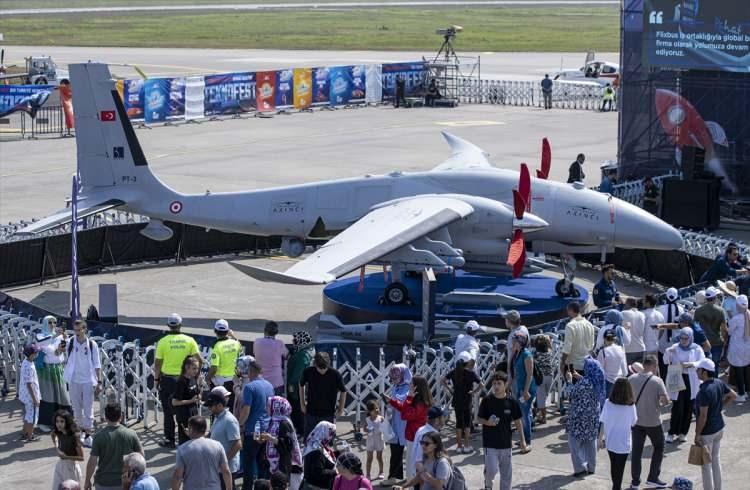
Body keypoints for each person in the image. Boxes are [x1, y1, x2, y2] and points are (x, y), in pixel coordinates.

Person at [154, 313, 200, 449]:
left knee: (168, 411)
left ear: (168, 325)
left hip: (168, 380)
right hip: (185, 379)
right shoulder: (189, 340)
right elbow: (200, 360)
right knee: (187, 410)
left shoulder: (163, 341)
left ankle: (169, 439)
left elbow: (157, 364)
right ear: (180, 325)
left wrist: (156, 379)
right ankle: (191, 437)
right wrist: (195, 376)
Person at [478, 372, 527, 490]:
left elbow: (518, 421)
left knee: (506, 474)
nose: (496, 386)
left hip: (506, 443)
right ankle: (488, 483)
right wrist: (487, 422)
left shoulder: (511, 401)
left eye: (499, 383)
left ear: (505, 384)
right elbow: (479, 418)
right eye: (494, 383)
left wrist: (523, 440)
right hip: (490, 443)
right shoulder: (487, 400)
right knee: (492, 470)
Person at [694, 358, 737, 490]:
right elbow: (733, 395)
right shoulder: (719, 382)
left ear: (704, 372)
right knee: (716, 460)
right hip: (719, 428)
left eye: (698, 369)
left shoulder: (704, 391)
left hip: (708, 432)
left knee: (706, 465)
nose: (696, 371)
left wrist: (697, 434)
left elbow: (703, 416)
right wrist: (720, 407)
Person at [628, 355, 669, 489]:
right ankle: (653, 477)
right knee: (659, 446)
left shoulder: (631, 378)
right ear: (654, 366)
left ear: (643, 364)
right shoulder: (657, 381)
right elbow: (664, 401)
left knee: (636, 452)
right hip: (653, 422)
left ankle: (635, 482)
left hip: (636, 421)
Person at [384, 375, 433, 480]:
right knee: (413, 462)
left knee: (412, 463)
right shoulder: (420, 400)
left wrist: (409, 397)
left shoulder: (419, 402)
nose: (409, 385)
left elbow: (405, 415)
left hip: (415, 436)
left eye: (411, 383)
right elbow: (405, 409)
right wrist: (392, 401)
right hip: (415, 434)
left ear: (416, 386)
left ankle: (412, 483)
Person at [84, 403, 143, 490]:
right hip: (125, 483)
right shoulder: (131, 434)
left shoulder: (98, 436)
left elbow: (92, 462)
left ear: (106, 417)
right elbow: (141, 456)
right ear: (121, 417)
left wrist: (87, 480)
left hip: (103, 483)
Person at [564, 358, 605, 477]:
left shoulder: (584, 383)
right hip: (592, 417)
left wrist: (569, 380)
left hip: (579, 418)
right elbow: (588, 385)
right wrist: (579, 377)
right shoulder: (597, 381)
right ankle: (592, 467)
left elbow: (570, 394)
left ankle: (579, 468)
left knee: (573, 442)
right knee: (590, 441)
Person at [63, 320, 102, 448]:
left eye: (79, 330)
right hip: (74, 381)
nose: (77, 332)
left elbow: (97, 364)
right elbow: (58, 352)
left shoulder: (92, 345)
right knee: (76, 410)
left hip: (88, 381)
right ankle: (80, 435)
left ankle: (88, 436)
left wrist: (99, 382)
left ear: (85, 329)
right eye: (75, 330)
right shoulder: (70, 342)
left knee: (88, 409)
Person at [663, 327, 705, 443]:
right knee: (677, 407)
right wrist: (668, 352)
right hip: (677, 376)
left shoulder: (696, 348)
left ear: (691, 338)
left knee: (688, 406)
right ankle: (671, 432)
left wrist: (691, 364)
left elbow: (702, 362)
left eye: (686, 338)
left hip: (691, 379)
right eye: (681, 338)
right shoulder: (675, 347)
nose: (684, 340)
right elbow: (666, 361)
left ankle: (683, 433)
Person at [238, 358, 274, 489]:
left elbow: (246, 410)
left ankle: (247, 487)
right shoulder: (269, 385)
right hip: (266, 430)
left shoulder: (249, 387)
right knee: (262, 462)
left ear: (250, 372)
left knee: (248, 462)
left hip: (253, 431)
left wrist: (239, 425)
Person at [172, 415, 233, 490]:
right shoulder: (218, 445)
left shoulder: (182, 449)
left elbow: (178, 476)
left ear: (191, 429)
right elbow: (226, 471)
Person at [598, 378, 638, 490]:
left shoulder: (607, 403)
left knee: (614, 467)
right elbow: (634, 422)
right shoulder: (631, 406)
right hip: (624, 443)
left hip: (611, 442)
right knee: (619, 470)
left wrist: (599, 438)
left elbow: (603, 421)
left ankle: (616, 487)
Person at [299, 351, 346, 440]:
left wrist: (340, 409)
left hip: (328, 414)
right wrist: (302, 404)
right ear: (315, 364)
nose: (322, 371)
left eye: (324, 368)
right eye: (320, 368)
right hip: (311, 413)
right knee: (309, 441)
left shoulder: (335, 374)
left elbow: (343, 391)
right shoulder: (308, 371)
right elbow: (301, 384)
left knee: (327, 443)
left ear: (328, 364)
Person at [260, 396, 303, 490]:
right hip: (273, 463)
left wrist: (270, 438)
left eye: (269, 406)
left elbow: (287, 446)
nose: (266, 408)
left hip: (281, 463)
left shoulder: (284, 423)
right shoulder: (274, 420)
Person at [442, 351, 480, 453]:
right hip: (467, 400)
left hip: (456, 400)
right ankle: (467, 445)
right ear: (467, 362)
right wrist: (473, 391)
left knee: (458, 423)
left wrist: (450, 389)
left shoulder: (454, 372)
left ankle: (459, 446)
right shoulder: (471, 373)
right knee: (467, 424)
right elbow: (482, 384)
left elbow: (442, 380)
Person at [38, 315, 71, 432]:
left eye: (54, 322)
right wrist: (56, 338)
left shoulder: (59, 336)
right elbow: (46, 348)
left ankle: (64, 421)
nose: (52, 325)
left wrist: (65, 339)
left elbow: (62, 349)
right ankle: (45, 423)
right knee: (48, 395)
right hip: (47, 370)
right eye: (50, 322)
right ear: (45, 323)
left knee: (62, 395)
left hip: (58, 368)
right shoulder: (41, 335)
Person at [382, 363, 412, 486]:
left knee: (406, 452)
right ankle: (395, 476)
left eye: (396, 377)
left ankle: (399, 476)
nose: (393, 380)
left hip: (405, 424)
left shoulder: (409, 387)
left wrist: (391, 400)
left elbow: (402, 402)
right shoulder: (396, 386)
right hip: (395, 422)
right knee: (396, 451)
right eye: (392, 378)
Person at [206, 393, 242, 487]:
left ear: (220, 405)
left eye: (211, 406)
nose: (209, 408)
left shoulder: (229, 420)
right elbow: (211, 434)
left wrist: (224, 461)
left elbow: (238, 444)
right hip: (218, 466)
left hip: (227, 467)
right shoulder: (217, 417)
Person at [207, 319, 242, 409]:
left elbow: (214, 368)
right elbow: (239, 346)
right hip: (234, 380)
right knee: (232, 407)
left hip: (220, 382)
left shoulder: (217, 347)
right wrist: (232, 335)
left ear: (215, 331)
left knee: (218, 407)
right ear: (227, 331)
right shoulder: (236, 343)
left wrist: (207, 378)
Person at [509, 330, 536, 447]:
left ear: (520, 342)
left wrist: (525, 391)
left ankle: (527, 440)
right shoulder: (518, 353)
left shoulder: (526, 354)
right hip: (520, 387)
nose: (512, 342)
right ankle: (524, 439)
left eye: (514, 340)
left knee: (524, 414)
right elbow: (515, 374)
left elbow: (530, 374)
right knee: (522, 413)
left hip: (527, 389)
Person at [287, 331, 314, 433]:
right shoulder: (308, 351)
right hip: (304, 388)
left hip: (297, 389)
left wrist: (291, 387)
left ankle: (301, 432)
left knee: (297, 410)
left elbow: (297, 375)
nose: (293, 342)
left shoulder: (302, 356)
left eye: (295, 340)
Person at [410, 406, 446, 482]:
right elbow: (419, 460)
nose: (444, 419)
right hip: (424, 478)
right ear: (436, 420)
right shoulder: (427, 435)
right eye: (443, 417)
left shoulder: (423, 429)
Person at [561, 301, 596, 378]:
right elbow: (592, 346)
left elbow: (567, 348)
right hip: (587, 364)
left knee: (572, 389)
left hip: (573, 366)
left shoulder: (570, 326)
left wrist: (562, 363)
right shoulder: (589, 325)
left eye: (568, 311)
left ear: (571, 310)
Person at [172, 355, 202, 446]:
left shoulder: (193, 378)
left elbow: (196, 393)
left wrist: (199, 396)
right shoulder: (181, 381)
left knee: (195, 439)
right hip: (184, 415)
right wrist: (191, 401)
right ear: (186, 367)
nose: (196, 371)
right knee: (185, 441)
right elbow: (174, 402)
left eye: (197, 368)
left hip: (193, 412)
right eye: (194, 368)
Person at [252, 321, 287, 396]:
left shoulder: (257, 341)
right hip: (276, 382)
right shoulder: (280, 343)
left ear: (264, 330)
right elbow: (287, 355)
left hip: (260, 381)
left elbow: (255, 353)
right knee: (275, 406)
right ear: (276, 332)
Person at [51, 409, 84, 489]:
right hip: (60, 466)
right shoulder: (57, 433)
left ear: (67, 422)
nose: (59, 424)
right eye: (57, 421)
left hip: (70, 468)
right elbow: (53, 435)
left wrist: (66, 457)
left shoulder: (74, 437)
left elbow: (81, 457)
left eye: (62, 421)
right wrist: (57, 448)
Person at [694, 286, 727, 364]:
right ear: (715, 297)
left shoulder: (698, 311)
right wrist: (725, 341)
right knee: (715, 365)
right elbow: (724, 329)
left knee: (704, 365)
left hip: (703, 342)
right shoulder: (720, 311)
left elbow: (695, 327)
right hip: (717, 342)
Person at [657, 287, 685, 377]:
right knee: (675, 369)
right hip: (676, 343)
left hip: (662, 344)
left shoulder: (660, 309)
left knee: (663, 369)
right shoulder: (681, 309)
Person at [301, 421, 338, 489]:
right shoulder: (316, 451)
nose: (331, 437)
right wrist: (335, 471)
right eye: (331, 434)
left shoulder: (313, 444)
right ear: (324, 432)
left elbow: (325, 459)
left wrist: (338, 454)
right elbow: (318, 474)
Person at [727, 294, 750, 402]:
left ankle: (741, 393)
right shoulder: (749, 314)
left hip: (737, 347)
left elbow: (730, 331)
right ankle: (748, 390)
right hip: (747, 347)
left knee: (739, 370)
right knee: (747, 368)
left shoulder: (736, 318)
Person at [533, 335, 558, 425]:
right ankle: (538, 413)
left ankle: (543, 418)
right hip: (550, 376)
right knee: (543, 397)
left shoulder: (536, 353)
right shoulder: (549, 352)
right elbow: (549, 346)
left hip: (541, 377)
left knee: (541, 399)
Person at [19, 343, 41, 442]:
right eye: (36, 352)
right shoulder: (29, 367)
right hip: (30, 396)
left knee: (28, 414)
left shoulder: (26, 362)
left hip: (25, 394)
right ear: (32, 354)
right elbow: (29, 384)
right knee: (32, 417)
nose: (37, 354)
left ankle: (24, 432)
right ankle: (30, 435)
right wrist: (35, 399)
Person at [596, 330, 627, 395]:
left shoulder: (603, 352)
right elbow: (624, 370)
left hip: (607, 382)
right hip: (619, 381)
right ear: (615, 339)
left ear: (604, 339)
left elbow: (600, 371)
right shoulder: (621, 349)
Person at [363, 399, 385, 481]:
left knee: (379, 457)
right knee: (369, 458)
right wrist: (367, 430)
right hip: (370, 440)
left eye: (377, 408)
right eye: (374, 409)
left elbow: (385, 428)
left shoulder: (381, 418)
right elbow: (364, 428)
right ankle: (368, 474)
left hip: (379, 439)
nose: (376, 410)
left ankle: (381, 472)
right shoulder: (367, 419)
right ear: (369, 411)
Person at [642, 294, 665, 370]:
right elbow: (662, 330)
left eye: (645, 300)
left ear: (648, 303)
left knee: (645, 370)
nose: (643, 302)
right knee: (654, 369)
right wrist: (656, 339)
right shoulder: (660, 315)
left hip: (645, 347)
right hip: (655, 346)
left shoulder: (643, 314)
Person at [621, 297, 647, 365]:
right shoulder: (642, 314)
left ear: (627, 304)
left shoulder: (623, 313)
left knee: (629, 373)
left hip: (629, 349)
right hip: (641, 348)